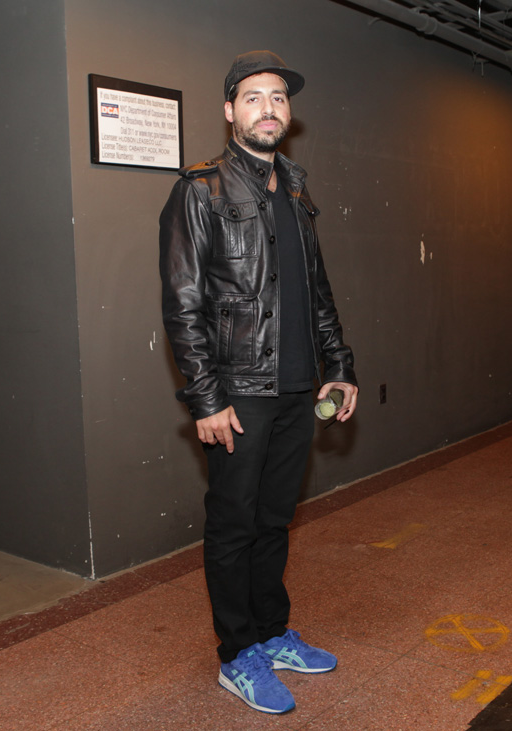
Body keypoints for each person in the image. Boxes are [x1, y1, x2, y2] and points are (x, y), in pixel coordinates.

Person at [159, 50, 358, 714]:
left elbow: (318, 292)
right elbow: (183, 305)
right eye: (253, 97)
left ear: (288, 112)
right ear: (229, 111)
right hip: (238, 391)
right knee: (234, 524)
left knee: (275, 520)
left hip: (299, 388)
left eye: (278, 97)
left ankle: (272, 631)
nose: (267, 108)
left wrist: (340, 365)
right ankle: (237, 652)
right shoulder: (201, 190)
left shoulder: (296, 192)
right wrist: (206, 398)